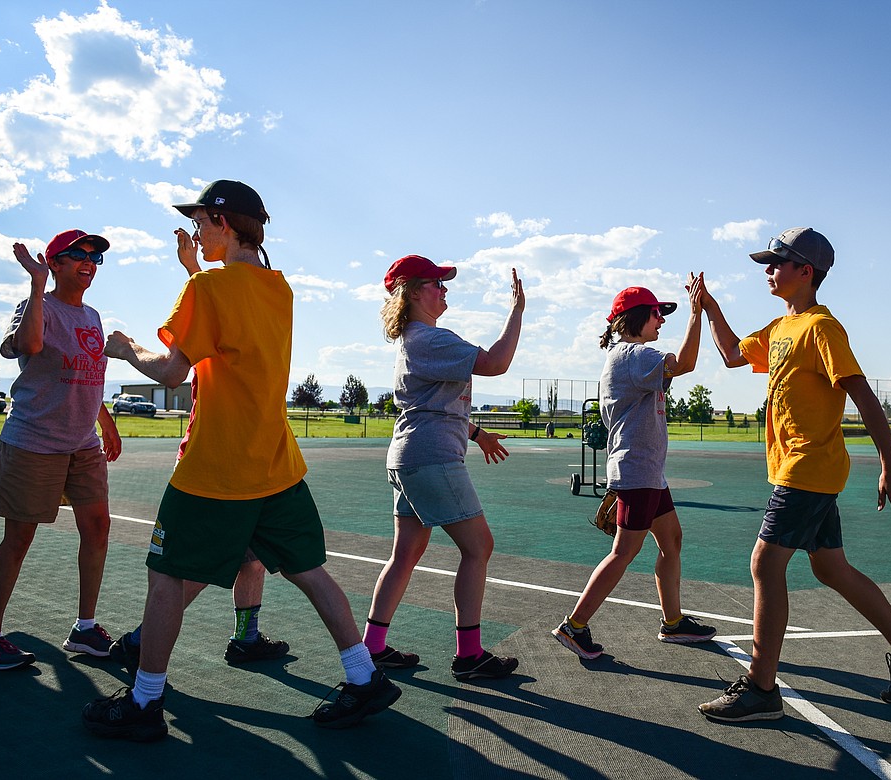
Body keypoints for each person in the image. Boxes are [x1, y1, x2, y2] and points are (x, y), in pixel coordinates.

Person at [83, 180, 398, 741]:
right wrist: (194, 272)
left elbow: (173, 371)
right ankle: (362, 674)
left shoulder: (210, 286)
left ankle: (145, 699)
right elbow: (230, 323)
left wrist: (126, 346)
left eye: (202, 222)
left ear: (224, 224)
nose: (197, 231)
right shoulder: (278, 288)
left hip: (216, 468)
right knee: (311, 573)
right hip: (275, 463)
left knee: (165, 578)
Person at [694, 227, 891, 722]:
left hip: (808, 466)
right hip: (801, 468)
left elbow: (862, 395)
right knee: (830, 568)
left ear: (806, 271)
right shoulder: (780, 327)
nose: (768, 270)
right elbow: (732, 355)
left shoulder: (822, 328)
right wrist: (710, 308)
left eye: (777, 263)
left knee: (765, 565)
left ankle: (762, 690)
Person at [108, 231, 288, 674]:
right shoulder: (252, 294)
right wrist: (130, 348)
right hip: (212, 452)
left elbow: (214, 308)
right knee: (207, 562)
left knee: (251, 557)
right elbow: (183, 354)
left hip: (241, 452)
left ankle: (245, 638)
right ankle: (141, 643)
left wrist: (193, 268)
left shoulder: (230, 294)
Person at [364, 254, 523, 681]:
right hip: (432, 458)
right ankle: (469, 655)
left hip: (410, 456)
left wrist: (476, 433)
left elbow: (432, 405)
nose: (444, 290)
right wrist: (516, 311)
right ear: (414, 292)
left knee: (406, 554)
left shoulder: (415, 340)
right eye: (437, 284)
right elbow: (495, 362)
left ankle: (372, 649)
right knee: (478, 547)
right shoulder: (429, 339)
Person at [0, 230, 121, 670]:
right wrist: (37, 286)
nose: (89, 262)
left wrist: (106, 422)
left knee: (97, 528)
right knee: (19, 538)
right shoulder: (35, 307)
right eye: (78, 255)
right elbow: (30, 346)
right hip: (35, 442)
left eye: (95, 257)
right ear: (53, 262)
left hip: (83, 445)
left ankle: (84, 628)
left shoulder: (93, 316)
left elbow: (90, 375)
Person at [552, 283, 716, 659]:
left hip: (648, 471)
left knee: (671, 539)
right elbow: (685, 364)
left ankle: (673, 623)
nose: (661, 320)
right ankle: (574, 626)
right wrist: (696, 312)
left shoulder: (629, 355)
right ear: (636, 318)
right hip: (638, 471)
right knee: (623, 552)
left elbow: (673, 371)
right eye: (656, 313)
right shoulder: (633, 354)